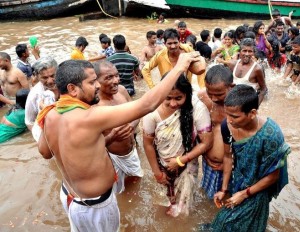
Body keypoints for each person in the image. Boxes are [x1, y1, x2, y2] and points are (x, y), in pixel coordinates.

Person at [36, 53, 201, 231]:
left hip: (70, 197)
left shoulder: (50, 113)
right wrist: (179, 67)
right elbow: (146, 105)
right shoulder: (90, 116)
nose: (98, 85)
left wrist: (108, 139)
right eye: (91, 82)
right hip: (96, 206)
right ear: (73, 89)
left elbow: (46, 152)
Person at [211, 84, 290, 231]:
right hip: (239, 182)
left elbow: (273, 176)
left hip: (258, 190)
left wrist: (244, 194)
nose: (229, 120)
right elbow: (228, 157)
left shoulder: (271, 135)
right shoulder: (226, 126)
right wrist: (223, 189)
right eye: (227, 114)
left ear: (252, 113)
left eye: (234, 116)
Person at [143, 73, 213, 217]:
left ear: (187, 94)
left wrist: (180, 161)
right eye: (168, 98)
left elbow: (206, 142)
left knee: (183, 211)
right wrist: (157, 173)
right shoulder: (152, 111)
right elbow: (148, 144)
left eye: (178, 98)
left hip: (187, 165)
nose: (173, 104)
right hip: (162, 165)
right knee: (163, 204)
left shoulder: (197, 108)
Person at [94, 60, 143, 192]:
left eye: (116, 75)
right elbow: (90, 144)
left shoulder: (121, 91)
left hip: (131, 152)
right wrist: (112, 136)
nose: (116, 80)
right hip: (112, 158)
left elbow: (137, 113)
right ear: (96, 81)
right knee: (117, 192)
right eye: (109, 77)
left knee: (137, 181)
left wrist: (132, 126)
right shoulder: (95, 106)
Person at [198, 65, 234, 199]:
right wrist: (204, 153)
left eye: (219, 94)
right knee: (208, 198)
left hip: (231, 165)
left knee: (230, 199)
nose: (213, 98)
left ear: (231, 87)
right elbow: (194, 129)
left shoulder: (240, 104)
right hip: (208, 164)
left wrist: (232, 163)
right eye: (210, 93)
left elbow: (248, 138)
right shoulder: (201, 98)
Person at [227, 38, 267, 105]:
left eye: (250, 51)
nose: (247, 54)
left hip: (248, 104)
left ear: (253, 53)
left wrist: (256, 107)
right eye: (244, 51)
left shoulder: (257, 69)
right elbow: (228, 84)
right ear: (239, 51)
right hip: (234, 102)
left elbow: (263, 89)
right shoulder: (232, 64)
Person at [25, 57, 58, 133]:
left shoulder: (67, 85)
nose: (50, 81)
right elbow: (29, 122)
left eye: (53, 76)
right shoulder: (34, 95)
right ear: (36, 76)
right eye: (45, 78)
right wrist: (40, 139)